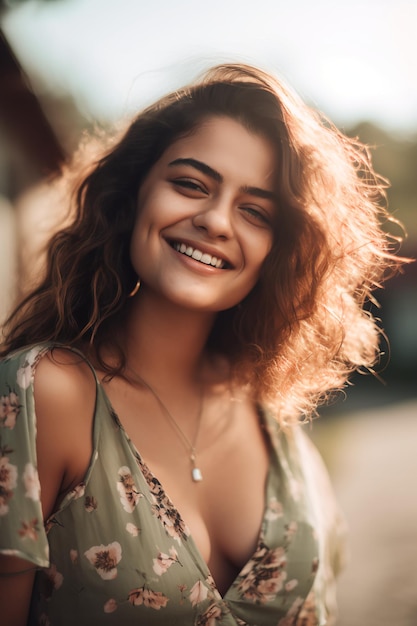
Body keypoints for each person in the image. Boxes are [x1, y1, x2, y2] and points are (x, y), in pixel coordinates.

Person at [0, 63, 404, 626]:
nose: (216, 221)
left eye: (255, 211)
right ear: (133, 193)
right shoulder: (43, 394)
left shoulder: (272, 416)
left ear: (278, 251)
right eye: (190, 184)